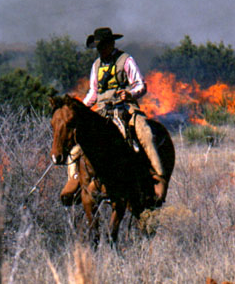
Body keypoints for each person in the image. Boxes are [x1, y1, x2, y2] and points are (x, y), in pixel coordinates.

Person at [60, 27, 167, 205]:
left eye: (102, 46)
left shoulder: (126, 60)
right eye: (98, 47)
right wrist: (80, 109)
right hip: (101, 111)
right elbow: (93, 93)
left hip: (125, 108)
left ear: (111, 44)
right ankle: (75, 179)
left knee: (145, 134)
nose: (100, 50)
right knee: (77, 144)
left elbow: (140, 85)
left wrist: (130, 93)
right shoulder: (96, 65)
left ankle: (158, 176)